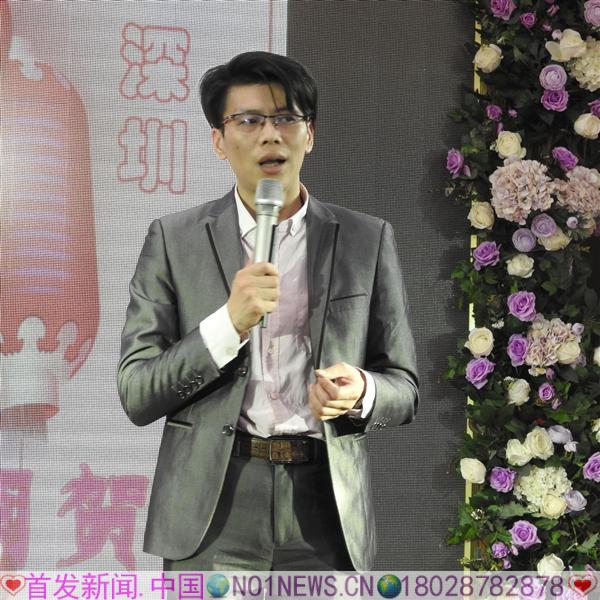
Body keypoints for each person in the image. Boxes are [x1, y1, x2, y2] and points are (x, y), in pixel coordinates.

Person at [117, 51, 419, 571]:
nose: (270, 135)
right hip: (214, 510)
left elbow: (404, 388)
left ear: (310, 134)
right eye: (249, 121)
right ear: (218, 140)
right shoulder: (174, 240)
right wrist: (227, 325)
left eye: (285, 119)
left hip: (326, 508)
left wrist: (362, 391)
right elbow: (137, 392)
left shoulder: (365, 240)